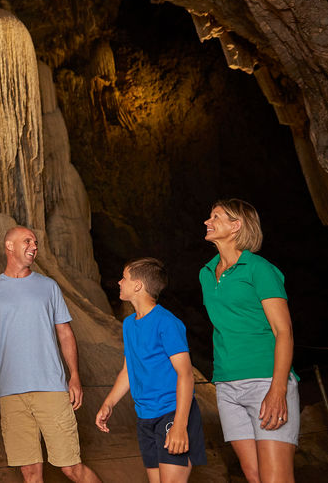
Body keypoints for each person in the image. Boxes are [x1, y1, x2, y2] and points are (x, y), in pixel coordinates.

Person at [0, 226, 101, 483]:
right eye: (28, 241)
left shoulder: (48, 286)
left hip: (51, 388)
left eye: (35, 242)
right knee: (30, 473)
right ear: (9, 246)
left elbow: (65, 333)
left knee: (72, 467)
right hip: (11, 394)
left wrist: (74, 375)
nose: (34, 246)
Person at [200, 199, 298, 483]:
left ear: (236, 226)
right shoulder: (206, 273)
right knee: (254, 476)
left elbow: (283, 331)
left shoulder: (259, 269)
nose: (207, 222)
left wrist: (278, 389)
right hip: (226, 385)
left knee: (275, 478)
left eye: (215, 217)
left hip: (265, 380)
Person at [95, 258, 206, 482]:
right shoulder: (129, 324)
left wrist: (180, 425)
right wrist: (109, 403)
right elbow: (128, 370)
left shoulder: (167, 322)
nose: (119, 282)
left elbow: (185, 374)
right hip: (145, 417)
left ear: (138, 285)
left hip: (172, 413)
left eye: (124, 278)